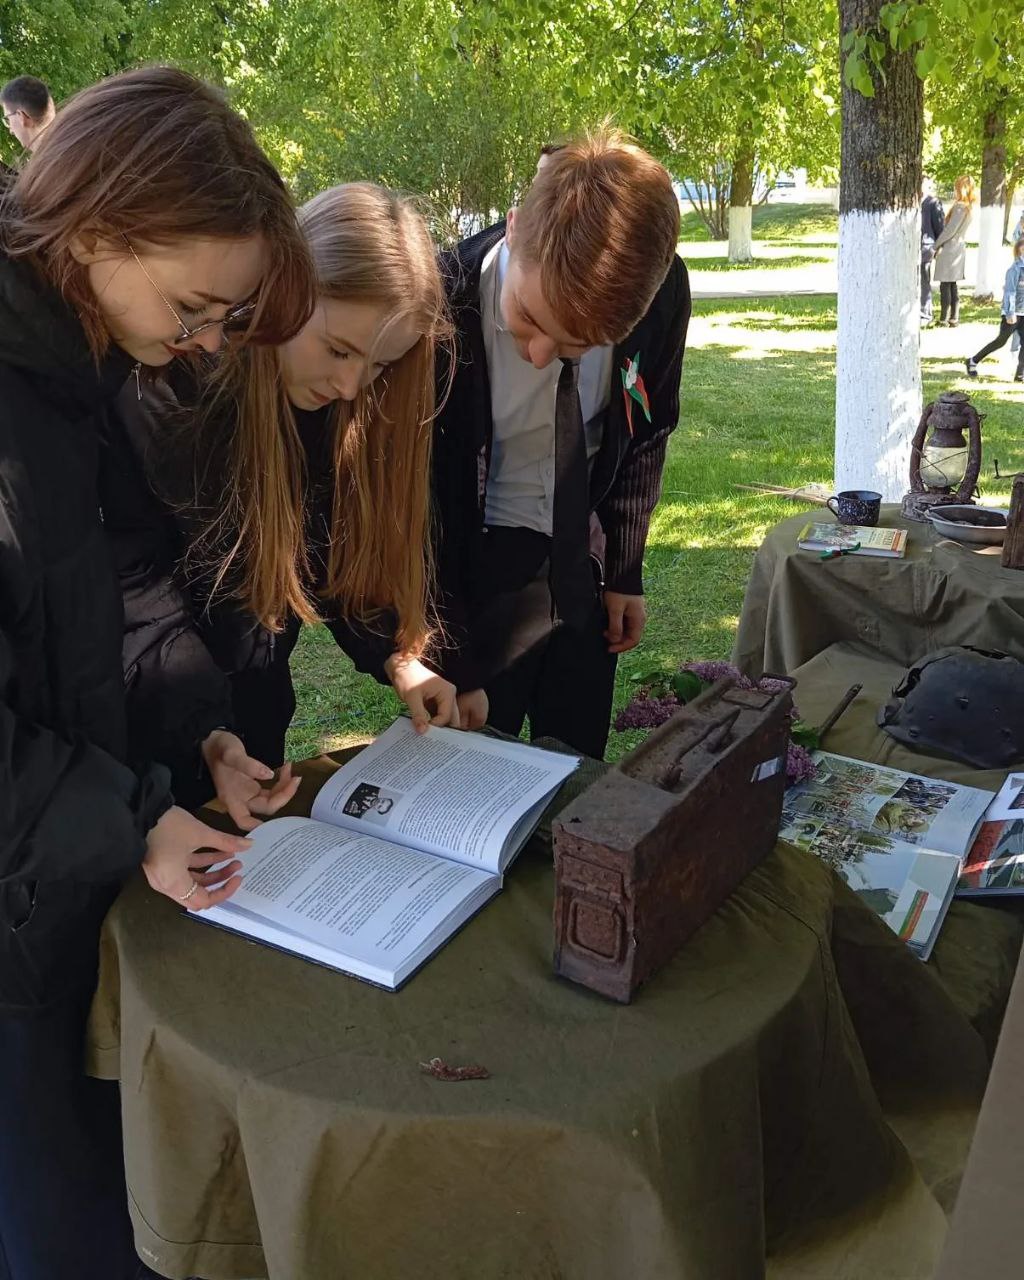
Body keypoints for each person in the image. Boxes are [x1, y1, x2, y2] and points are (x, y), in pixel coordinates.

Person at [0, 66, 314, 1280]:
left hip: (60, 889)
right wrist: (134, 820)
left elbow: (114, 593)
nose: (205, 342)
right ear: (94, 227)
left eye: (226, 321)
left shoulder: (72, 374)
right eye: (196, 304)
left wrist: (202, 743)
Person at [113, 182, 456, 824]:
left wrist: (396, 655)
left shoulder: (333, 406)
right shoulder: (174, 390)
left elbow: (328, 549)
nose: (351, 384)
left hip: (255, 727)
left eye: (381, 365)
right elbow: (140, 594)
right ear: (284, 293)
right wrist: (204, 734)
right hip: (147, 743)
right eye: (338, 350)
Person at [432, 128, 691, 760]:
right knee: (470, 772)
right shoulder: (444, 299)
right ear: (516, 228)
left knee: (575, 765)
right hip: (479, 565)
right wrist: (440, 642)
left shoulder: (658, 294)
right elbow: (421, 490)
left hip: (585, 556)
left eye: (576, 348)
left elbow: (646, 428)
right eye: (527, 318)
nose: (543, 356)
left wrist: (624, 568)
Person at [965, 237, 1024, 382]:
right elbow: (1010, 291)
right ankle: (973, 361)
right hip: (1013, 313)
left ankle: (1020, 374)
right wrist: (1010, 313)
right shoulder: (1014, 269)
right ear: (1019, 250)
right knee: (1001, 341)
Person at [933, 174, 976, 327]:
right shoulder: (969, 208)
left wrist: (936, 245)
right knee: (952, 284)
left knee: (945, 284)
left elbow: (950, 230)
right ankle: (953, 317)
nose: (955, 190)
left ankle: (944, 318)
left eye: (957, 187)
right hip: (958, 248)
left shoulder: (960, 207)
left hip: (950, 248)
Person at [1, 74, 55, 152]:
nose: (11, 131)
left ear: (21, 117)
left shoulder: (47, 161)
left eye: (8, 119)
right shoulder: (71, 143)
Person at [920, 179, 944, 326]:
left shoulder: (933, 203)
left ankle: (925, 314)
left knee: (923, 280)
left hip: (926, 246)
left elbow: (940, 227)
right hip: (912, 246)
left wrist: (938, 247)